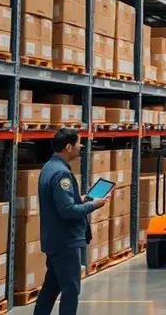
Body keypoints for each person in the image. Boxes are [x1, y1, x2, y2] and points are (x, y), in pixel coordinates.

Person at [34, 128, 107, 315]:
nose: (80, 146)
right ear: (68, 147)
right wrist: (94, 205)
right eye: (78, 143)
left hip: (54, 239)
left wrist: (80, 199)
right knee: (71, 290)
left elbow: (60, 202)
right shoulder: (61, 174)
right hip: (66, 241)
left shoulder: (49, 168)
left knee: (51, 286)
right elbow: (67, 211)